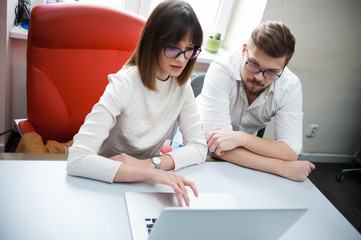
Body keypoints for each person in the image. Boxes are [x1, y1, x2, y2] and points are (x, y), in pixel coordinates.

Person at [67, 0, 207, 207]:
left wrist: (151, 165)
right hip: (104, 178)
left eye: (190, 49)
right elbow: (77, 159)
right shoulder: (125, 83)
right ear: (152, 43)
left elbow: (198, 148)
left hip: (142, 182)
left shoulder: (181, 86)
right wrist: (150, 173)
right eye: (173, 48)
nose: (182, 59)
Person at [197, 21, 315, 182]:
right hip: (196, 143)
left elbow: (291, 151)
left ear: (284, 66)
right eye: (253, 64)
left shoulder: (290, 86)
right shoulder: (221, 69)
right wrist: (281, 168)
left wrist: (241, 138)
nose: (258, 77)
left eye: (272, 71)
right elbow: (216, 148)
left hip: (244, 151)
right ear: (244, 50)